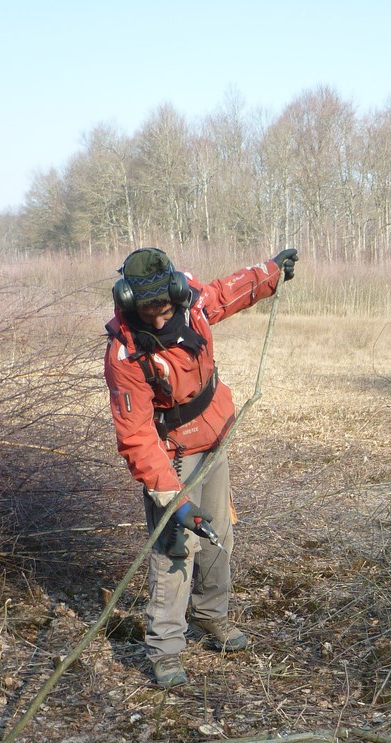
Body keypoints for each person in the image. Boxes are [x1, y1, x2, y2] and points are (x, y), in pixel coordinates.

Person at [104, 246, 298, 689]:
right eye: (148, 309)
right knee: (175, 546)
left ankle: (212, 617)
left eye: (164, 307)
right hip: (172, 455)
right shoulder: (125, 355)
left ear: (175, 292)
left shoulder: (193, 307)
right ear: (131, 301)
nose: (158, 318)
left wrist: (270, 273)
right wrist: (174, 500)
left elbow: (228, 294)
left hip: (215, 435)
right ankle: (166, 648)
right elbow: (136, 437)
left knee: (219, 533)